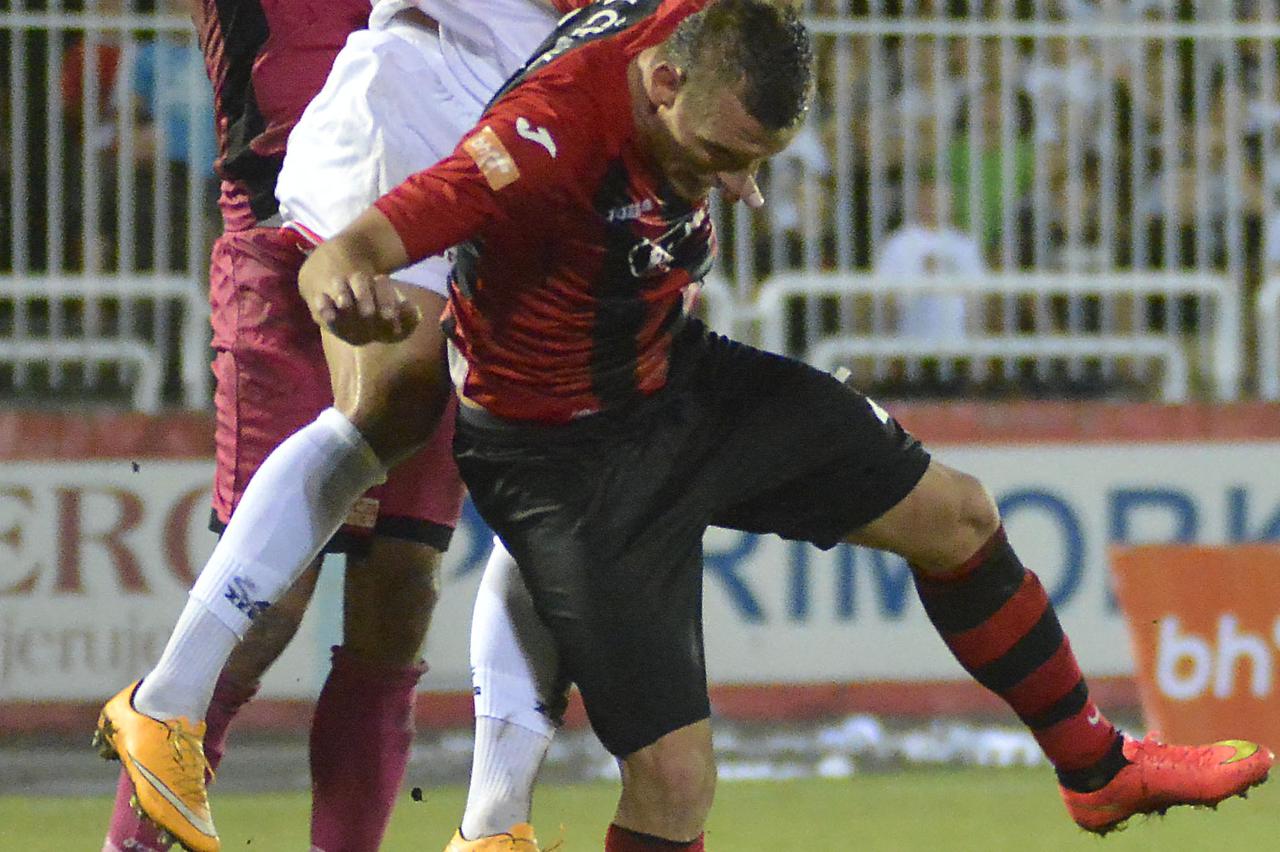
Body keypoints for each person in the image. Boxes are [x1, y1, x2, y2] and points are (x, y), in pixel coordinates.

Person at [298, 0, 1275, 848]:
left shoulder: (692, 47)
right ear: (665, 79)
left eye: (755, 160)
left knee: (958, 517)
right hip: (564, 459)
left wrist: (716, 153)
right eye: (721, 156)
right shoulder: (539, 132)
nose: (733, 182)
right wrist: (340, 277)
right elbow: (358, 243)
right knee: (675, 786)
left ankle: (1094, 769)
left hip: (675, 381)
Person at [95, 2, 582, 851]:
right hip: (291, 223)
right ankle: (140, 816)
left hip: (444, 206)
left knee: (398, 595)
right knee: (272, 605)